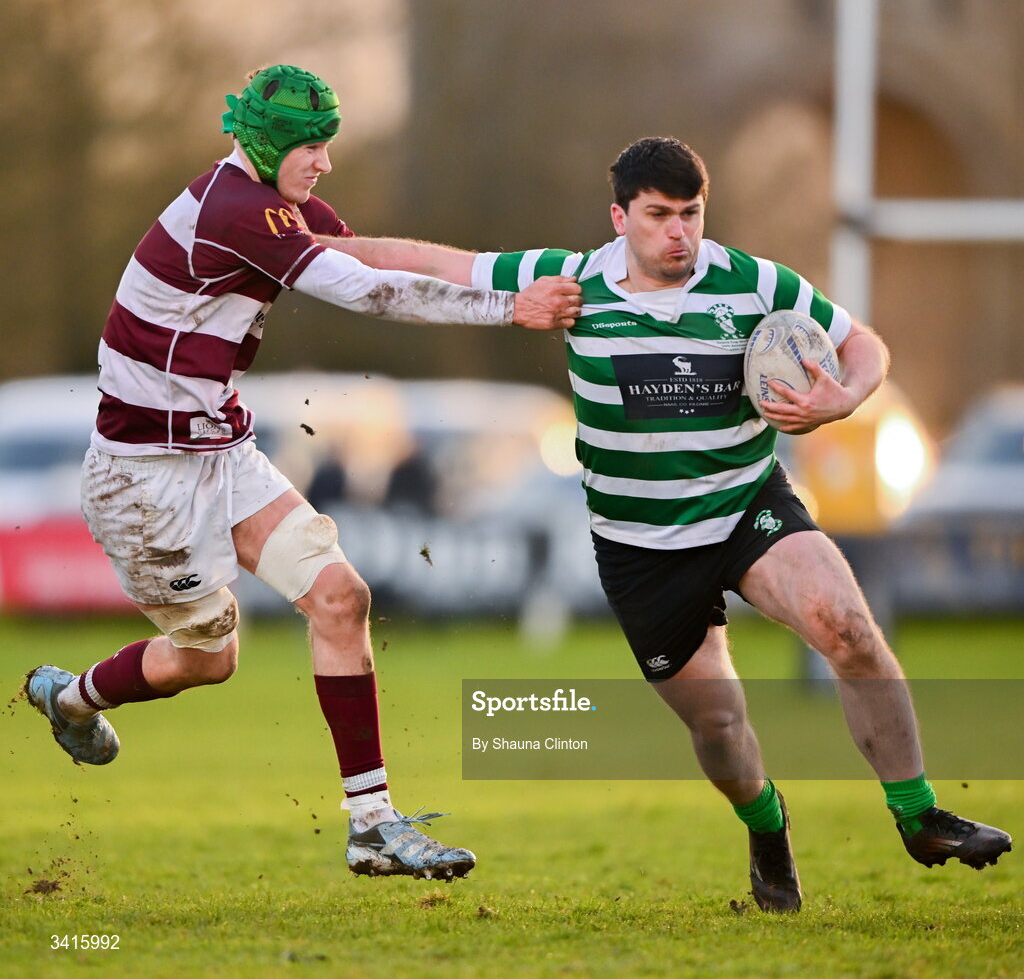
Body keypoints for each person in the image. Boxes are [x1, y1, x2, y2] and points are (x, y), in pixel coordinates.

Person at [317, 136, 1012, 910]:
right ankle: (767, 822)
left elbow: (862, 343)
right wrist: (311, 243)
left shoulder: (753, 282)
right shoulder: (570, 280)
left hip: (746, 502)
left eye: (691, 214)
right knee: (719, 725)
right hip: (640, 546)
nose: (679, 232)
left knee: (847, 626)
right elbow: (437, 264)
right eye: (658, 216)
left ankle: (920, 816)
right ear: (619, 218)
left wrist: (843, 397)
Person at [25, 64, 581, 884]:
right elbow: (370, 293)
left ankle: (371, 827)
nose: (324, 162)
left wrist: (518, 271)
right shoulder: (235, 212)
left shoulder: (269, 203)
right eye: (310, 147)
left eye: (328, 145)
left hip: (221, 452)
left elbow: (379, 252)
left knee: (341, 597)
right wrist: (509, 310)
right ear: (267, 143)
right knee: (207, 660)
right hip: (143, 476)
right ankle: (73, 697)